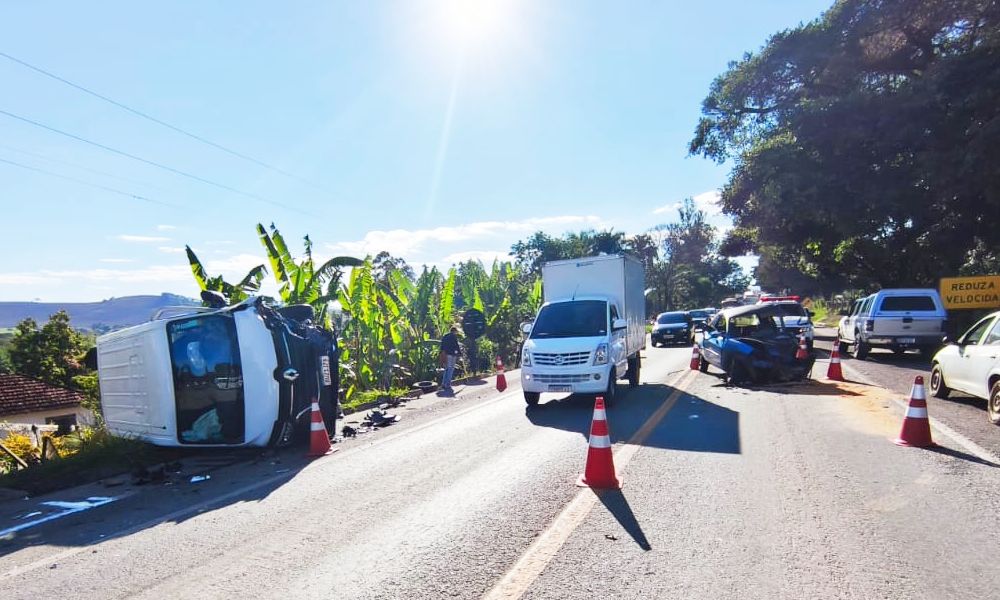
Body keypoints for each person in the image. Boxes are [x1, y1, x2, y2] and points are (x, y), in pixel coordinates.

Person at [439, 326, 461, 394]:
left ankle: (443, 383)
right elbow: (456, 346)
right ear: (454, 331)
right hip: (451, 355)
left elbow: (442, 346)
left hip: (445, 355)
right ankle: (447, 384)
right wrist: (460, 353)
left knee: (446, 369)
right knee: (451, 369)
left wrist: (442, 354)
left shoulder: (445, 336)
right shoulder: (453, 336)